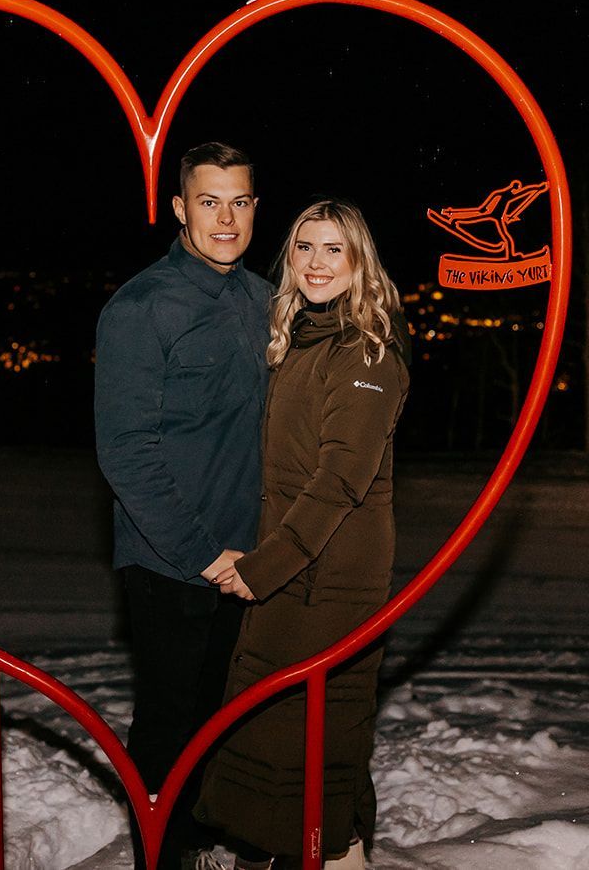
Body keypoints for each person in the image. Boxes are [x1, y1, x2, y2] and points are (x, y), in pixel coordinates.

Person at [197, 200, 410, 870]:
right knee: (273, 734)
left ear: (359, 264)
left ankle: (338, 858)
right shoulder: (303, 335)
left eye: (334, 250)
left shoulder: (364, 351)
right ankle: (269, 854)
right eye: (304, 247)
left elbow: (340, 481)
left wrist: (267, 565)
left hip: (331, 574)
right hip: (294, 562)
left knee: (311, 740)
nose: (317, 262)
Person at [94, 142, 273, 869]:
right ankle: (163, 857)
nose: (225, 217)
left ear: (256, 208)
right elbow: (126, 452)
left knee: (226, 720)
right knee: (171, 724)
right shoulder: (141, 307)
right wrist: (203, 553)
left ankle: (204, 840)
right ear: (179, 208)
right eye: (209, 200)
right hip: (173, 562)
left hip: (251, 558)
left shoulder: (263, 299)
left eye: (239, 200)